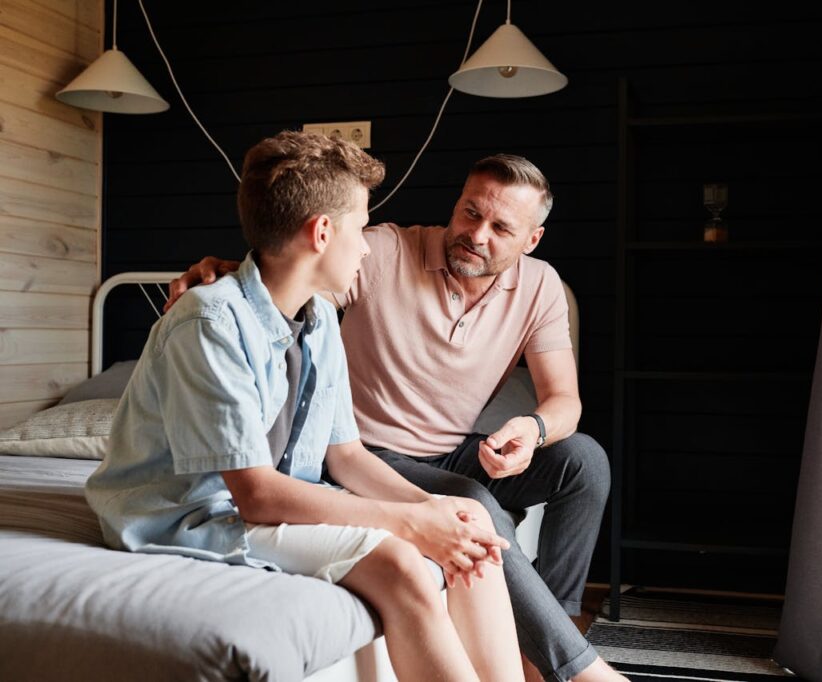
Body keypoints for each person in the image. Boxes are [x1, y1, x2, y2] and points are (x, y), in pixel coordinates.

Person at [87, 131, 524, 682]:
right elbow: (258, 495)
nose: (366, 247)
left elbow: (345, 455)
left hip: (274, 503)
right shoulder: (208, 322)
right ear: (321, 232)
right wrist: (410, 525)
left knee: (470, 517)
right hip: (191, 516)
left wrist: (434, 512)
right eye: (361, 229)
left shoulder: (318, 319)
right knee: (401, 563)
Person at [168, 155, 624, 682]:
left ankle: (553, 636)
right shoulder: (381, 251)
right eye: (469, 213)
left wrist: (533, 429)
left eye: (500, 228)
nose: (476, 234)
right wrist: (234, 271)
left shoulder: (540, 286)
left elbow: (564, 399)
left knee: (585, 461)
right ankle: (573, 667)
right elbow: (293, 281)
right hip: (371, 452)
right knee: (471, 504)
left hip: (452, 450)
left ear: (531, 241)